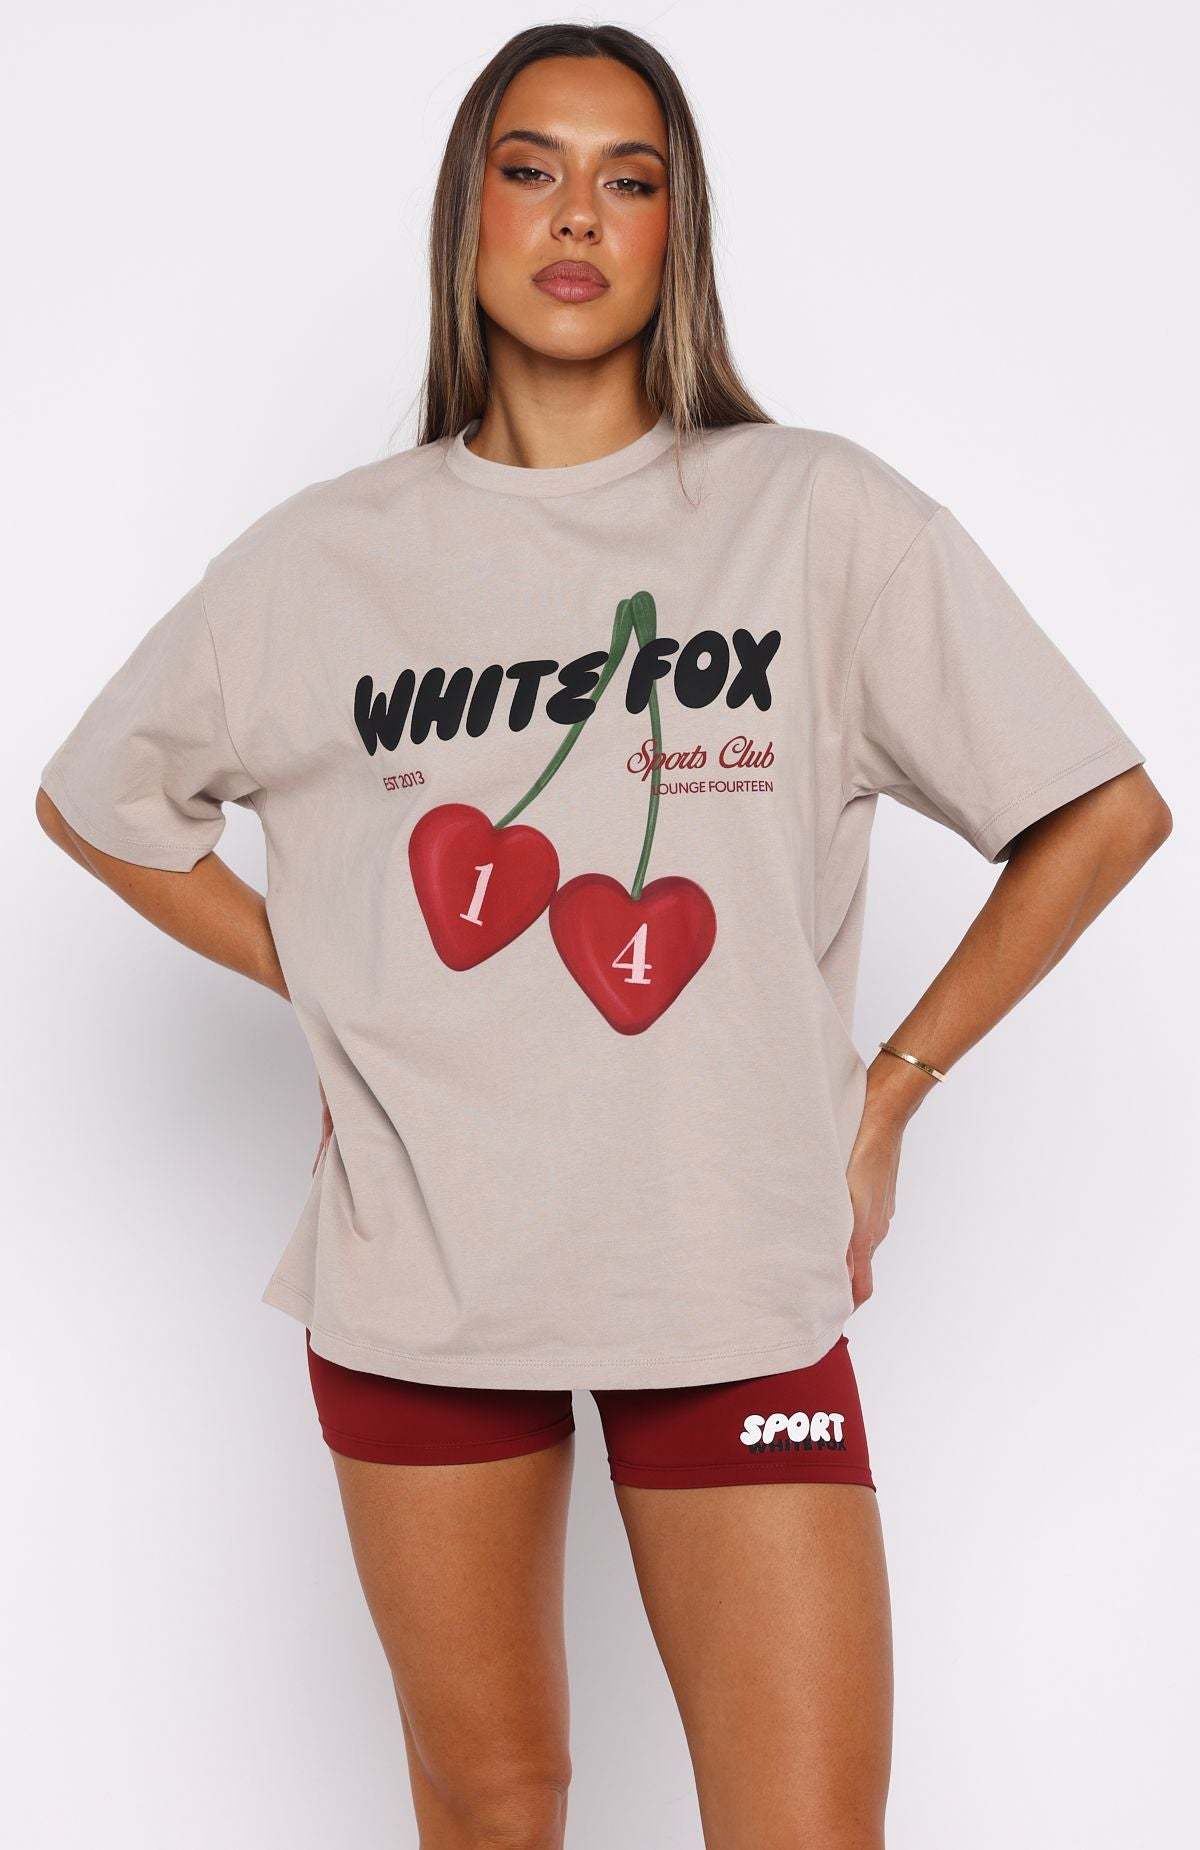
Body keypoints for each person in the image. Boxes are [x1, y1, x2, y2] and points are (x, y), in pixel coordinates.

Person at [35, 20, 1171, 1849]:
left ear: (674, 232)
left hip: (733, 1265)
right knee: (497, 1808)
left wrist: (891, 1088)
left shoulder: (814, 516)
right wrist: (329, 967)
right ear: (469, 215)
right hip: (423, 1265)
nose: (577, 216)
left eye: (627, 179)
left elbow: (1101, 812)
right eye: (532, 169)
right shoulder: (324, 560)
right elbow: (98, 799)